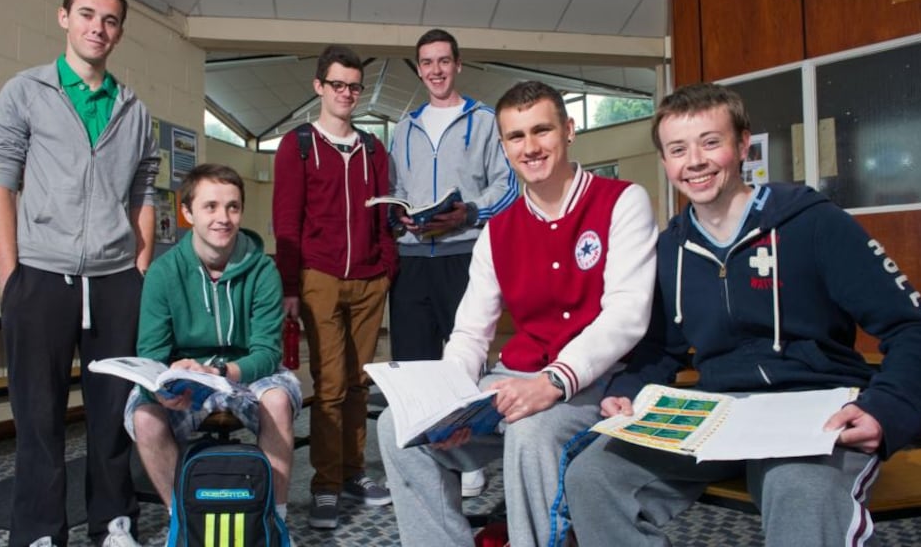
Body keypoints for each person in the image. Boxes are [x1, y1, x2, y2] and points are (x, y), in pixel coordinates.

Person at [564, 82, 921, 547]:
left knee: (798, 488)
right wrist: (627, 390)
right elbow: (661, 347)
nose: (695, 161)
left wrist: (887, 409)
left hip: (814, 409)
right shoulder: (670, 247)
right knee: (592, 476)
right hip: (720, 413)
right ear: (665, 163)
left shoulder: (813, 223)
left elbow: (917, 330)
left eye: (711, 142)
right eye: (678, 149)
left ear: (743, 144)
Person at [378, 80, 658, 546]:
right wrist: (449, 400)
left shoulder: (622, 201)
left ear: (568, 131)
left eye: (541, 131)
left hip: (597, 380)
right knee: (396, 427)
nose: (530, 148)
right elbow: (470, 330)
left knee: (531, 428)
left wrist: (551, 383)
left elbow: (626, 315)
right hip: (514, 376)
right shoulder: (498, 230)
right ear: (504, 146)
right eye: (515, 136)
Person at [0, 0, 157, 547]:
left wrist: (140, 266)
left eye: (108, 21)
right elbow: (1, 184)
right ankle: (38, 531)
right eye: (86, 15)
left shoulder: (133, 109)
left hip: (114, 281)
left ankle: (114, 522)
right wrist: (13, 276)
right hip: (40, 276)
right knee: (38, 416)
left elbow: (144, 193)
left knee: (113, 413)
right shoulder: (25, 91)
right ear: (64, 18)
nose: (97, 28)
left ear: (120, 32)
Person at [125, 164, 302, 531]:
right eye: (211, 207)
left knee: (279, 400)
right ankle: (183, 519)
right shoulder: (163, 272)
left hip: (247, 372)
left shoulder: (262, 270)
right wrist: (159, 389)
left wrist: (222, 372)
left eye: (233, 207)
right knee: (144, 417)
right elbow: (152, 355)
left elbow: (268, 353)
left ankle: (274, 521)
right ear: (187, 213)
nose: (223, 218)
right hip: (189, 376)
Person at [387, 27, 518, 496]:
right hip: (413, 257)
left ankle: (469, 457)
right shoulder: (404, 127)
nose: (435, 70)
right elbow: (398, 190)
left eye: (444, 61)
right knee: (414, 362)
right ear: (419, 69)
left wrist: (469, 213)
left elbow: (508, 186)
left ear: (458, 65)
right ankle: (422, 453)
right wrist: (398, 214)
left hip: (465, 252)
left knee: (463, 360)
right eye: (426, 62)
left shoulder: (484, 121)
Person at [272, 44, 399, 529]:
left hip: (370, 281)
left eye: (354, 86)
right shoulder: (297, 144)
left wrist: (387, 267)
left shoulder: (372, 148)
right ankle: (325, 484)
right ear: (319, 87)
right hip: (319, 278)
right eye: (338, 85)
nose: (346, 94)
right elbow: (286, 220)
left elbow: (387, 214)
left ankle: (353, 473)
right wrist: (290, 284)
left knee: (358, 383)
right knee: (327, 385)